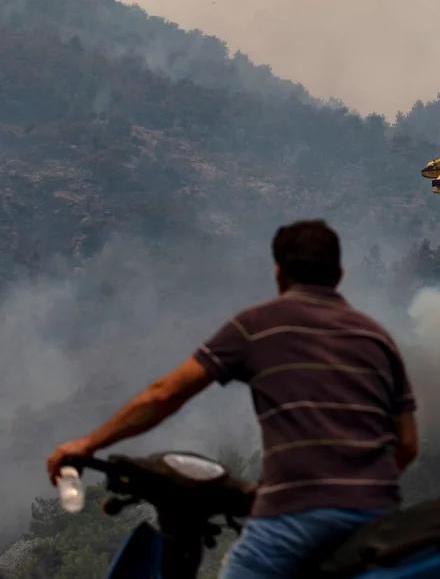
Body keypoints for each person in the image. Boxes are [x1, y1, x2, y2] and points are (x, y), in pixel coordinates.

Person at [46, 220, 419, 578]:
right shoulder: (377, 338)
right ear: (338, 273)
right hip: (378, 517)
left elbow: (165, 395)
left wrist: (88, 443)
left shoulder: (258, 325)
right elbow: (407, 444)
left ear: (279, 273)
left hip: (295, 514)